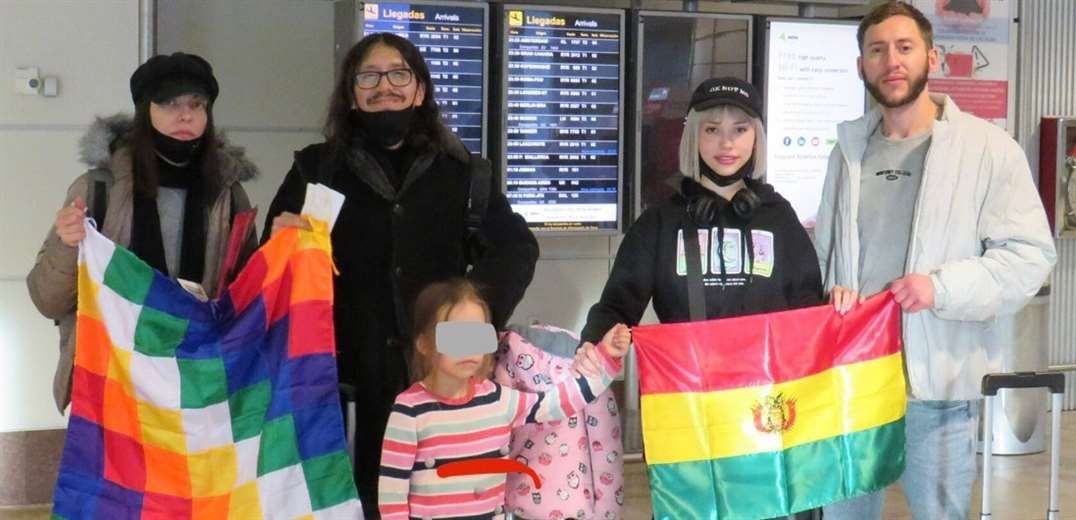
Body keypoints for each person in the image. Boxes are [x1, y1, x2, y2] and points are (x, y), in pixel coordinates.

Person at [263, 33, 539, 515]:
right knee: (355, 503)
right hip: (344, 385)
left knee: (442, 503)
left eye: (398, 74)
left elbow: (517, 248)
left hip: (441, 386)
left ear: (420, 90)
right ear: (352, 94)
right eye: (368, 76)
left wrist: (469, 330)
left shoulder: (463, 173)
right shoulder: (315, 170)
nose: (384, 86)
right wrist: (276, 242)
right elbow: (268, 270)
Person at [815, 3, 1056, 518]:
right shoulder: (848, 152)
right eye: (877, 50)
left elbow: (1031, 257)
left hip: (940, 390)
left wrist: (940, 288)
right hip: (854, 383)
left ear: (932, 56)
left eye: (904, 47)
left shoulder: (988, 150)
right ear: (861, 65)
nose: (891, 61)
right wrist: (831, 289)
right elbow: (827, 253)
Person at [27, 52, 259, 414]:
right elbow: (48, 301)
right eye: (169, 103)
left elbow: (248, 298)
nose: (185, 115)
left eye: (197, 104)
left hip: (198, 384)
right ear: (144, 110)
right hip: (114, 380)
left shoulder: (227, 195)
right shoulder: (99, 189)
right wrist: (67, 244)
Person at [580, 76, 822, 341]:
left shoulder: (778, 216)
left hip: (768, 369)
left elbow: (811, 311)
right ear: (694, 136)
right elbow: (615, 309)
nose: (727, 143)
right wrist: (601, 341)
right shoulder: (661, 222)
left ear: (756, 137)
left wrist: (839, 302)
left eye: (740, 130)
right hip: (685, 368)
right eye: (712, 130)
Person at [377, 278, 630, 519]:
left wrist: (605, 357)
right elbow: (391, 497)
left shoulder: (498, 400)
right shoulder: (409, 411)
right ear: (424, 344)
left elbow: (559, 402)